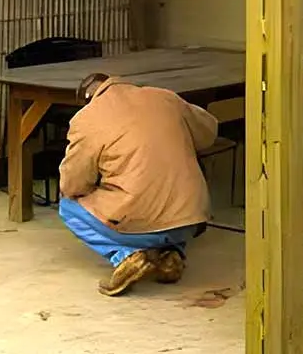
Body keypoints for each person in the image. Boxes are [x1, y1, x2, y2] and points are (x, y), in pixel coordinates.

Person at [57, 72, 218, 297]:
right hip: (192, 219)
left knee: (68, 206)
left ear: (87, 97)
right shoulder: (165, 97)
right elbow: (209, 132)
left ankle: (128, 256)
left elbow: (73, 184)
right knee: (170, 205)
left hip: (140, 225)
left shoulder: (88, 118)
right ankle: (170, 255)